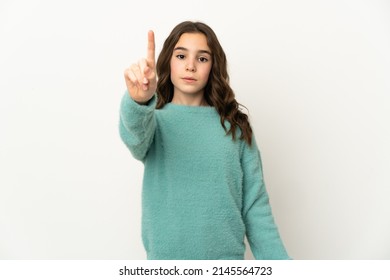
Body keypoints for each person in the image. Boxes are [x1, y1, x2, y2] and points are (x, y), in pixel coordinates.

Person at [119, 21, 290, 260]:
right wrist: (138, 101)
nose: (190, 66)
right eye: (181, 56)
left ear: (213, 66)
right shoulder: (154, 123)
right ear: (168, 60)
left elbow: (255, 207)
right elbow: (134, 135)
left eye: (202, 59)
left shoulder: (235, 128)